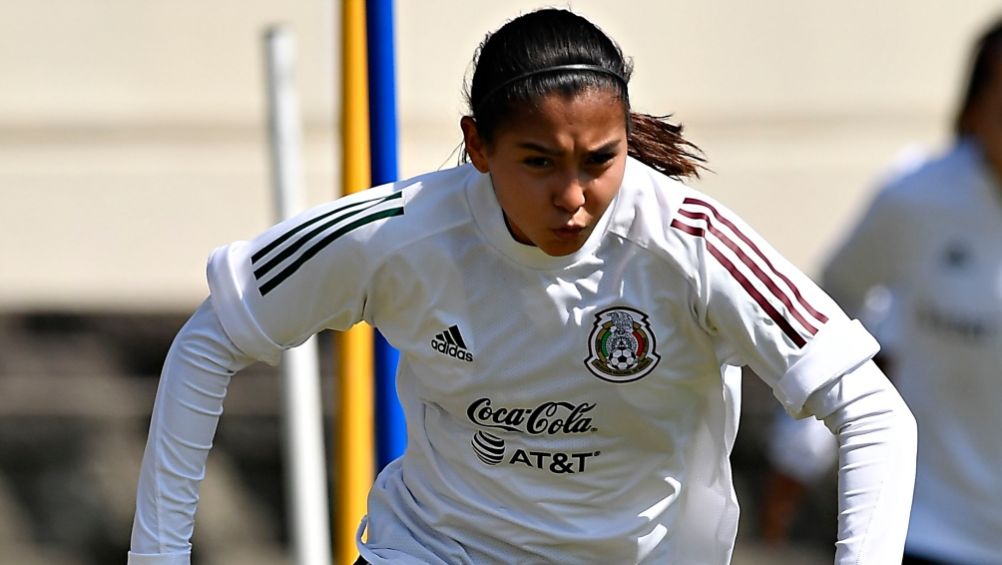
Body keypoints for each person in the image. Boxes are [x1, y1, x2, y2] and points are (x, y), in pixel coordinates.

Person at [127, 8, 917, 564]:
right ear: (477, 145)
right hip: (433, 551)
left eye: (600, 160)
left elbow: (877, 414)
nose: (572, 198)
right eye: (539, 162)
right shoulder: (401, 234)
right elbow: (208, 341)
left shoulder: (693, 244)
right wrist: (156, 553)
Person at [816, 16, 1002, 565]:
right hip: (933, 527)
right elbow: (835, 300)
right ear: (975, 105)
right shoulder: (916, 199)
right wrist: (807, 439)